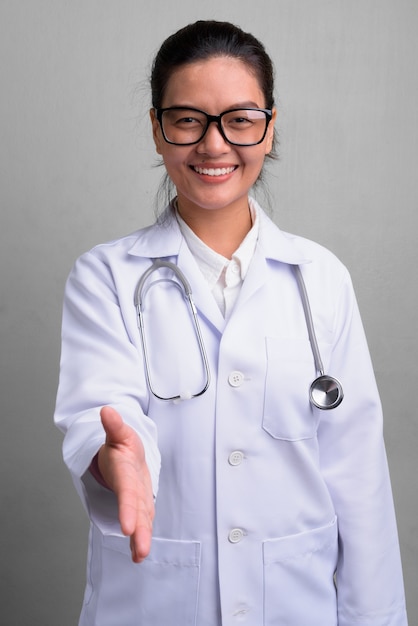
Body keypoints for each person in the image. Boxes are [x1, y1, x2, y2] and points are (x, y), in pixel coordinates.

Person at [54, 20, 408, 626]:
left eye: (240, 119)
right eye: (188, 119)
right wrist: (118, 456)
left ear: (270, 127)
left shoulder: (319, 278)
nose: (214, 145)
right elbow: (103, 410)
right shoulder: (106, 276)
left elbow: (359, 479)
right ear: (158, 130)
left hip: (300, 605)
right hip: (154, 604)